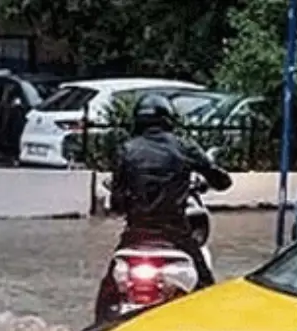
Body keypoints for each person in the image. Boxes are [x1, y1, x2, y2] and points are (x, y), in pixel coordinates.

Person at [98, 93, 232, 316]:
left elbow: (117, 203)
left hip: (134, 236)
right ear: (168, 119)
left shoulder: (127, 150)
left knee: (107, 292)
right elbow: (223, 181)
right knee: (206, 286)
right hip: (175, 235)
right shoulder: (184, 147)